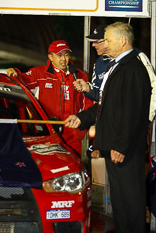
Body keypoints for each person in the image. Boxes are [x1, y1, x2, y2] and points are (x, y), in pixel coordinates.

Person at [65, 22, 152, 233]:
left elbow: (132, 112)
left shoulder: (132, 68)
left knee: (130, 200)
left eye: (109, 40)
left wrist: (121, 146)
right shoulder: (117, 65)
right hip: (116, 147)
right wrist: (82, 118)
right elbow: (106, 106)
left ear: (123, 41)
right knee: (121, 202)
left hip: (125, 150)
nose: (106, 44)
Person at [7, 40, 93, 155]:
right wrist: (15, 72)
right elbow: (20, 80)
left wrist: (81, 126)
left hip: (73, 134)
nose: (63, 59)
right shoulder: (39, 73)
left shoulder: (79, 75)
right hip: (49, 133)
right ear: (50, 57)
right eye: (59, 55)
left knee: (73, 169)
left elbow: (88, 102)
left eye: (66, 55)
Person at [73, 24, 111, 101]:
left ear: (108, 41)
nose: (93, 45)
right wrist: (87, 88)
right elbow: (98, 94)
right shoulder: (98, 62)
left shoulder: (128, 58)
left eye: (97, 41)